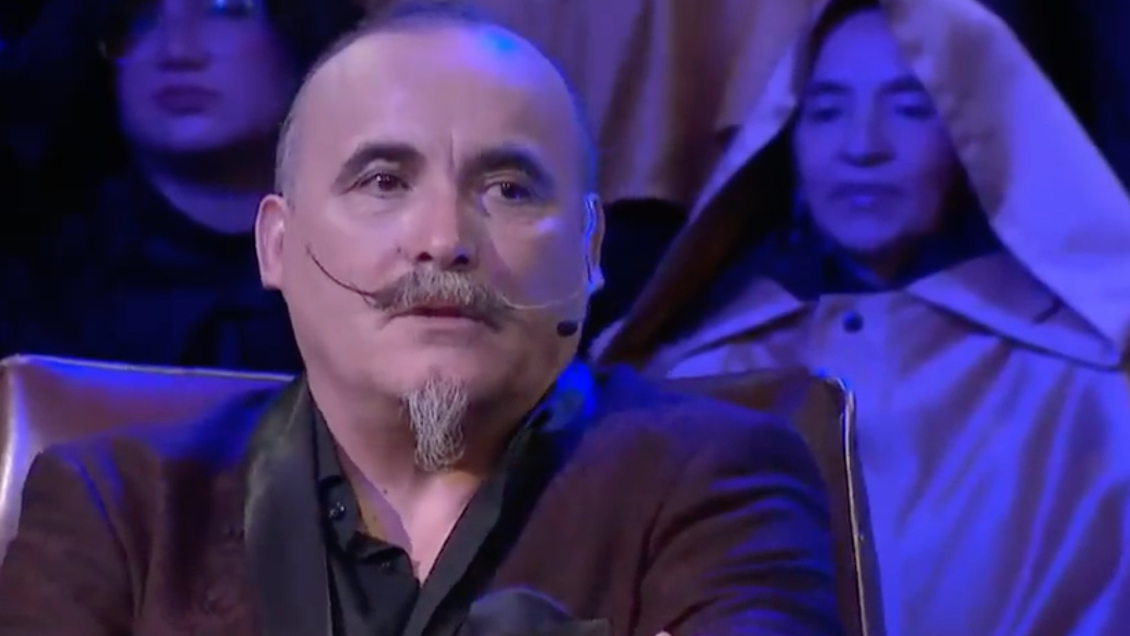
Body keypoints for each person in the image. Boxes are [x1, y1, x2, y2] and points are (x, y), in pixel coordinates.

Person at [0, 4, 842, 636]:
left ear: (589, 251)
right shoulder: (118, 507)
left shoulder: (719, 484)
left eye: (508, 189)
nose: (443, 239)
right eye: (383, 181)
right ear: (277, 246)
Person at [594, 0, 1130, 634]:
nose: (862, 146)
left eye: (910, 108)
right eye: (825, 111)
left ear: (980, 137)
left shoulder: (1086, 396)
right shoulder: (696, 378)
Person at [0, 0, 360, 372]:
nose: (178, 52)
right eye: (141, 19)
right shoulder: (36, 290)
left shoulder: (368, 264)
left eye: (226, 8)